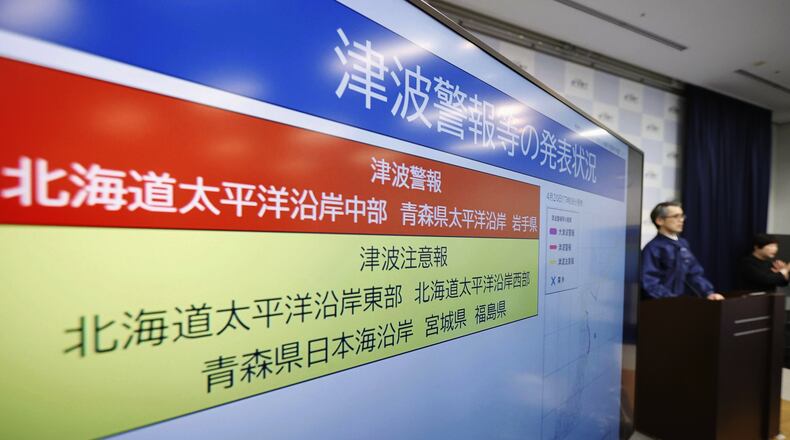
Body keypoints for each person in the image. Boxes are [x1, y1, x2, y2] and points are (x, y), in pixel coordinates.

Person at [641, 202, 724, 300]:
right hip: (663, 306)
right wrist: (671, 299)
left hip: (682, 305)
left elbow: (694, 273)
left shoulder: (683, 244)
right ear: (660, 220)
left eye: (682, 216)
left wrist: (708, 293)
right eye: (676, 216)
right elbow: (649, 283)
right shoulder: (653, 248)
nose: (681, 220)